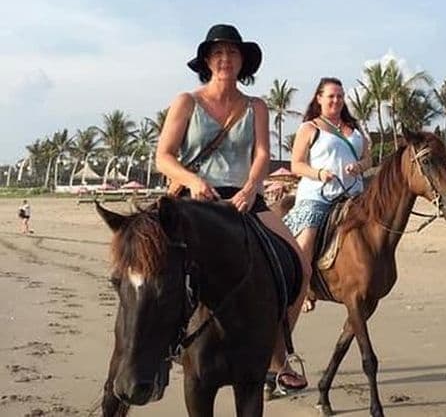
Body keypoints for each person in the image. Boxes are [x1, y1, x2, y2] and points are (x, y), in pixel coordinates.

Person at [155, 23, 311, 393]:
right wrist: (193, 182)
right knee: (154, 269)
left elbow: (261, 154)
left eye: (233, 53)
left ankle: (278, 354)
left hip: (244, 198)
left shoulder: (256, 105)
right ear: (207, 61)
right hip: (195, 200)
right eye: (218, 53)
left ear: (243, 62)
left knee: (299, 266)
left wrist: (251, 187)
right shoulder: (186, 102)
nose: (226, 59)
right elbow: (163, 156)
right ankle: (155, 349)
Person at [282, 77, 372, 312]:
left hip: (353, 194)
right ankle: (301, 287)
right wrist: (319, 173)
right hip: (318, 195)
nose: (336, 100)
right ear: (319, 99)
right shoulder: (310, 128)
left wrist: (360, 167)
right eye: (331, 96)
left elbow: (368, 158)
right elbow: (296, 165)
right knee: (306, 244)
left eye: (340, 96)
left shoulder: (355, 129)